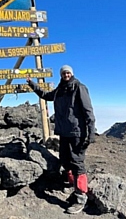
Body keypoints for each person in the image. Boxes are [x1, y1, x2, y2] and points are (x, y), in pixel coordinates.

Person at [26, 65, 96, 214]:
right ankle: (73, 186)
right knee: (65, 159)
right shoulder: (60, 89)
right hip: (64, 132)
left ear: (72, 73)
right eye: (63, 73)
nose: (66, 74)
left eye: (68, 72)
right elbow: (46, 95)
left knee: (77, 164)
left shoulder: (79, 87)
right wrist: (32, 84)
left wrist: (91, 133)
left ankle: (81, 198)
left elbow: (88, 111)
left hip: (77, 132)